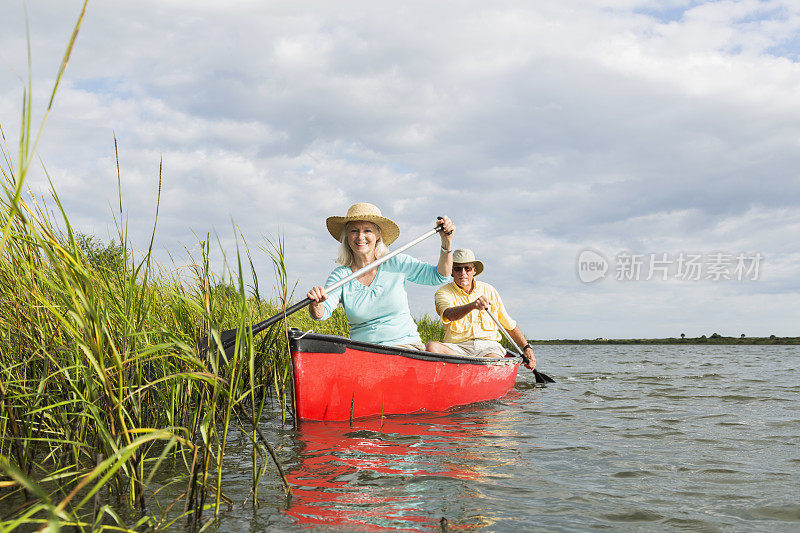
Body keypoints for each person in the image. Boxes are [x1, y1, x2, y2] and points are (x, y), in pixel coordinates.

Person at [307, 202, 455, 350]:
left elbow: (439, 276)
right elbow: (321, 313)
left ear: (378, 235)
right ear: (347, 237)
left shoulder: (397, 261)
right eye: (354, 231)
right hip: (364, 353)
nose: (360, 237)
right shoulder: (341, 275)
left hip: (405, 348)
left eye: (367, 231)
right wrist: (316, 304)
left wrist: (446, 242)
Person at [426, 249, 536, 370]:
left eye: (467, 268)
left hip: (488, 348)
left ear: (474, 270)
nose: (463, 273)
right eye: (458, 268)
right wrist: (472, 305)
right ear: (452, 271)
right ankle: (466, 369)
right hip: (457, 349)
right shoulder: (443, 292)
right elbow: (449, 314)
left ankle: (474, 371)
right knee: (432, 347)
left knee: (492, 360)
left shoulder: (489, 290)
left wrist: (526, 348)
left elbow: (508, 324)